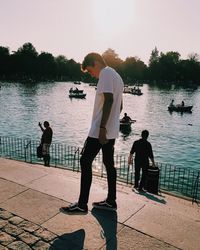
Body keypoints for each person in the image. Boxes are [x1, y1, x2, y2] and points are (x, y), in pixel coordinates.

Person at [61, 52, 124, 214]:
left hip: (99, 131)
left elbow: (109, 100)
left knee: (85, 161)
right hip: (111, 131)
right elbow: (120, 106)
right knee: (109, 165)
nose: (92, 75)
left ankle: (82, 205)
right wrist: (110, 126)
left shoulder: (105, 74)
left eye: (90, 71)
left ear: (95, 63)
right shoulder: (116, 76)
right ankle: (111, 201)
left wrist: (102, 128)